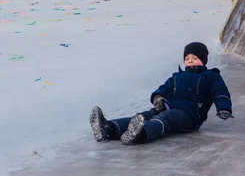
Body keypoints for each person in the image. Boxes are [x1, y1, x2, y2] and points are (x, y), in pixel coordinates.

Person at [89, 42, 234, 145]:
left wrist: (224, 108)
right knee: (144, 116)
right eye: (187, 59)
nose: (190, 62)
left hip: (190, 116)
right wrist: (158, 98)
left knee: (166, 117)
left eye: (195, 58)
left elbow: (220, 92)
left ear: (204, 61)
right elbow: (162, 89)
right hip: (168, 106)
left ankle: (141, 134)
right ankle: (109, 129)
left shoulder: (211, 76)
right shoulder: (176, 76)